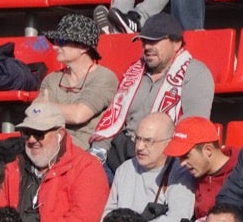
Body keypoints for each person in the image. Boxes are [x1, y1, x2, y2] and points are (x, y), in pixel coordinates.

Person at [88, 16, 214, 172]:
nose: (147, 47)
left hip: (164, 157)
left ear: (176, 43)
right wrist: (98, 150)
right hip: (121, 150)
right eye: (144, 42)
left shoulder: (195, 73)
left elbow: (194, 125)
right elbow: (113, 117)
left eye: (154, 41)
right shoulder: (134, 72)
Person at [0, 103, 112, 222]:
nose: (31, 140)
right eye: (26, 133)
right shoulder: (15, 166)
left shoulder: (86, 166)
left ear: (59, 134)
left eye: (39, 133)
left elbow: (83, 221)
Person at [96, 116, 193, 222]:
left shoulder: (180, 172)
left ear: (169, 143)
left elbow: (177, 219)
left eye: (148, 141)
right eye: (138, 139)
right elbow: (109, 213)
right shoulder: (125, 169)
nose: (140, 147)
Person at [37, 15, 119, 152]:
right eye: (55, 41)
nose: (55, 47)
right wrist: (42, 109)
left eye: (61, 41)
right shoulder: (52, 79)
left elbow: (79, 115)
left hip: (85, 154)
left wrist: (46, 108)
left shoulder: (104, 77)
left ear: (83, 47)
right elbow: (35, 112)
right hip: (49, 149)